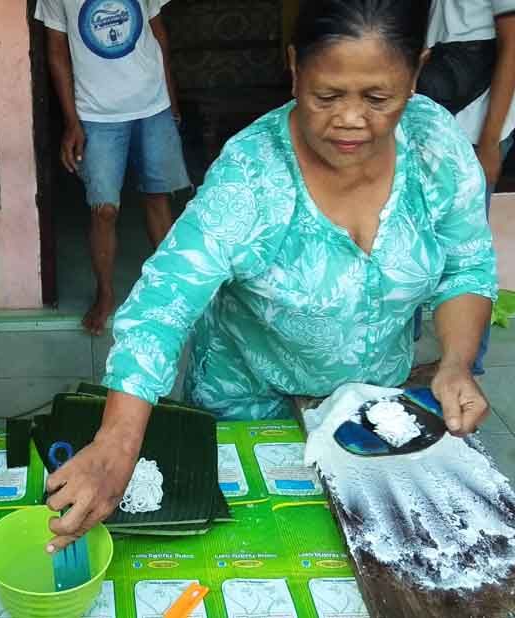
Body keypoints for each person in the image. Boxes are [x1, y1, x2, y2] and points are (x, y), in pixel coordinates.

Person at [43, 0, 498, 553]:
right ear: (294, 68)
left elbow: (466, 265)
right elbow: (164, 304)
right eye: (325, 95)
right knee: (258, 550)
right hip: (251, 406)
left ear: (417, 71)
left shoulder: (436, 147)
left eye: (379, 98)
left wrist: (453, 362)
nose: (351, 119)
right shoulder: (253, 175)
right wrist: (117, 442)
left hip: (368, 403)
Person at [35, 0, 191, 335]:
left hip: (153, 105)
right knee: (103, 209)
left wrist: (172, 99)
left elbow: (158, 34)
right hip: (95, 114)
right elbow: (56, 53)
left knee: (158, 198)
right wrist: (71, 122)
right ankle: (105, 294)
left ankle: (169, 291)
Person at [415, 0, 515, 374]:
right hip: (444, 111)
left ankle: (465, 365)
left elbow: (512, 46)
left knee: (466, 249)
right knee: (416, 229)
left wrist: (489, 142)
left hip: (474, 127)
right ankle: (406, 347)